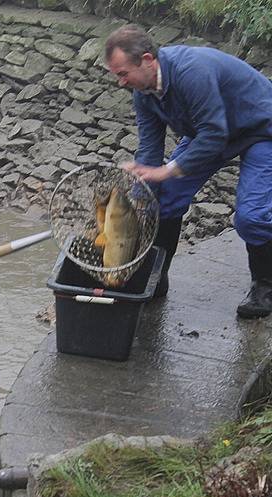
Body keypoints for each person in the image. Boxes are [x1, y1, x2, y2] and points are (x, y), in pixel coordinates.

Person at [104, 24, 272, 317]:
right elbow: (149, 152)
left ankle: (265, 287)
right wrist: (139, 194)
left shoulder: (191, 71)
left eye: (122, 73)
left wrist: (168, 171)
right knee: (161, 199)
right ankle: (156, 279)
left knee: (251, 216)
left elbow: (213, 136)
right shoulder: (143, 93)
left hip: (261, 129)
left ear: (147, 59)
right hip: (211, 132)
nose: (121, 82)